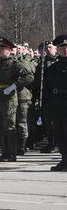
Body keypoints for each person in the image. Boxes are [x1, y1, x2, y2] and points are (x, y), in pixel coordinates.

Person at [43, 34, 67, 171]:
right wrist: (44, 105)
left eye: (66, 47)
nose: (65, 50)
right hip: (57, 105)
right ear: (57, 49)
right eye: (62, 47)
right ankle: (64, 160)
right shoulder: (53, 68)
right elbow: (47, 88)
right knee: (60, 134)